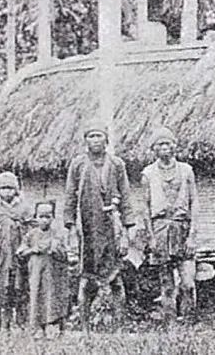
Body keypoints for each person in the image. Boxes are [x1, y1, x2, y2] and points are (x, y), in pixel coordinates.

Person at [62, 120, 135, 328]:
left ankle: (119, 327)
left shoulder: (117, 164)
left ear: (106, 139)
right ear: (85, 140)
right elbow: (70, 197)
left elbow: (126, 197)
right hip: (88, 231)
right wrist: (71, 228)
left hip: (111, 229)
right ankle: (85, 328)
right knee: (86, 281)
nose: (95, 140)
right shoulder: (78, 164)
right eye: (91, 136)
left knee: (116, 279)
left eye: (99, 135)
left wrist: (127, 232)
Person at [140, 126, 198, 323]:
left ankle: (188, 322)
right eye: (160, 144)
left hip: (182, 228)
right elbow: (145, 207)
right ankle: (170, 325)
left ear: (175, 146)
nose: (164, 147)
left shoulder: (187, 170)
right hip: (160, 230)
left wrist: (192, 236)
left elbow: (194, 202)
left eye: (168, 143)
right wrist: (151, 237)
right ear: (154, 149)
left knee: (188, 283)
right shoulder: (148, 174)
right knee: (166, 284)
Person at [0, 171, 33, 329]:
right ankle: (4, 324)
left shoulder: (25, 209)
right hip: (3, 257)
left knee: (22, 288)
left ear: (16, 190)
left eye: (10, 188)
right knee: (4, 289)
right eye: (3, 188)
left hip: (22, 257)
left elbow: (33, 230)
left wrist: (27, 246)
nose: (7, 192)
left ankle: (22, 323)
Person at [17, 201, 71, 336]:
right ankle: (37, 327)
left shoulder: (58, 234)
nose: (44, 220)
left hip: (52, 273)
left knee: (51, 297)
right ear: (36, 217)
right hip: (36, 272)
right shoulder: (31, 234)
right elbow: (21, 252)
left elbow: (65, 254)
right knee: (36, 296)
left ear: (53, 217)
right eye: (41, 216)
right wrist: (33, 250)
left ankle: (51, 326)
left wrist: (56, 250)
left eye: (48, 217)